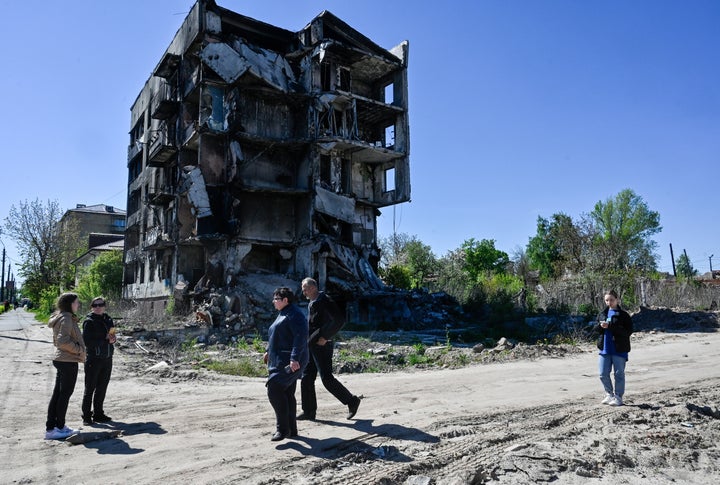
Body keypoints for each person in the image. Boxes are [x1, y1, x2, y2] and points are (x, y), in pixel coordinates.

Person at [298, 277, 361, 421]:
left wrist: (325, 337)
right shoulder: (313, 301)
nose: (303, 291)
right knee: (306, 378)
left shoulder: (324, 300)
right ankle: (308, 411)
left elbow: (339, 320)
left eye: (305, 288)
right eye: (303, 288)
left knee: (327, 379)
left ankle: (352, 401)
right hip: (311, 344)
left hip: (322, 345)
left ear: (313, 287)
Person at [263, 287, 308, 441]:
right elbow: (276, 335)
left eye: (276, 299)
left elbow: (300, 337)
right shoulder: (283, 313)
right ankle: (291, 429)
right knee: (287, 393)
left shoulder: (295, 314)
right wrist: (268, 351)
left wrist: (294, 358)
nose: (273, 301)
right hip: (280, 359)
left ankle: (282, 430)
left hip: (290, 361)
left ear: (285, 300)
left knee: (274, 390)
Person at [45, 292, 86, 440]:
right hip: (67, 360)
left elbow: (59, 341)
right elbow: (62, 341)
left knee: (58, 395)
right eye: (76, 302)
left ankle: (52, 428)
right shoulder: (67, 318)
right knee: (64, 395)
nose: (78, 304)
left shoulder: (62, 316)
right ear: (70, 304)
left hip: (63, 359)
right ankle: (59, 427)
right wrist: (79, 350)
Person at [81, 296, 117, 425]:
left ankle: (98, 414)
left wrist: (113, 339)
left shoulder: (108, 319)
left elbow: (112, 335)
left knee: (102, 388)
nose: (98, 307)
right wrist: (105, 338)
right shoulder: (89, 321)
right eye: (95, 305)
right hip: (93, 359)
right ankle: (86, 416)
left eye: (100, 304)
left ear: (104, 306)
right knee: (89, 388)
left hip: (107, 358)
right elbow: (87, 342)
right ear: (91, 307)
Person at [596, 289, 633, 406]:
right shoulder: (602, 314)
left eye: (611, 300)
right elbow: (595, 330)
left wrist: (611, 326)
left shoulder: (624, 315)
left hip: (619, 349)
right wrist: (600, 326)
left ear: (617, 300)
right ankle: (609, 394)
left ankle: (618, 397)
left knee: (619, 374)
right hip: (604, 349)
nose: (609, 302)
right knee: (602, 373)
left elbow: (628, 332)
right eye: (607, 300)